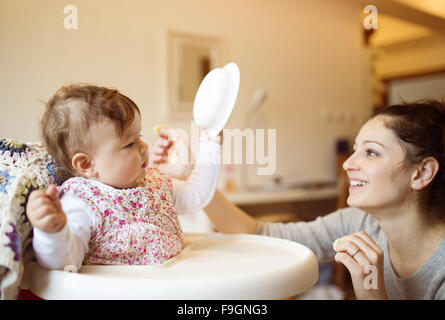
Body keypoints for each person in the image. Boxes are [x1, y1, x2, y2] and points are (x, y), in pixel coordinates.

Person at [153, 100, 445, 300]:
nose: (347, 164)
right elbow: (260, 235)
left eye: (370, 152)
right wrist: (194, 174)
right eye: (355, 150)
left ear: (421, 173)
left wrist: (371, 293)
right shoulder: (359, 223)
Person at [26, 84, 221, 270]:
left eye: (140, 136)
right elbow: (64, 262)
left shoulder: (155, 182)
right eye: (129, 144)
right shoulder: (82, 202)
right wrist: (52, 232)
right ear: (86, 164)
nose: (144, 147)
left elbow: (197, 195)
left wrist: (209, 146)